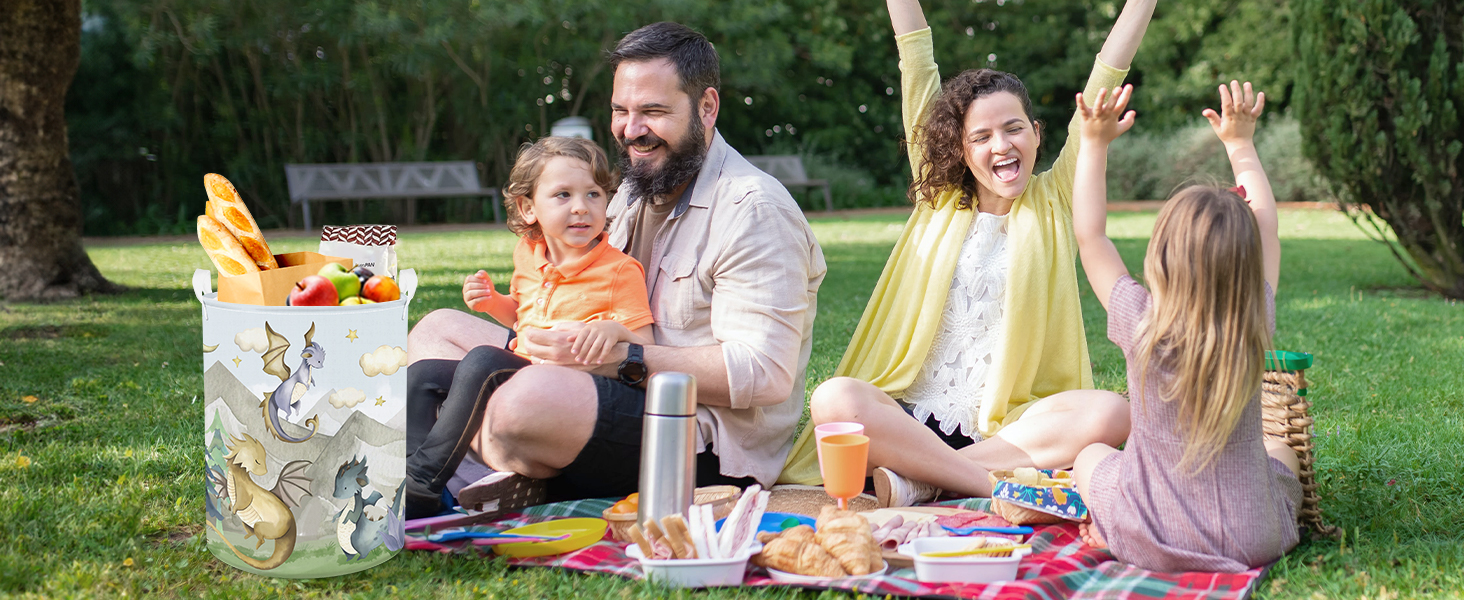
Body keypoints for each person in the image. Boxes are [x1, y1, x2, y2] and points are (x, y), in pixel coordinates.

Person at [405, 21, 826, 515]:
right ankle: (502, 465)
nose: (631, 130)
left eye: (653, 111)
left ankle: (480, 463)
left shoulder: (752, 209)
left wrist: (622, 359)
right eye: (620, 112)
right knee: (436, 331)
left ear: (706, 107)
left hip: (696, 436)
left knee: (521, 403)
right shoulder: (633, 188)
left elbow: (765, 374)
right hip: (594, 381)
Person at [783, 0, 1156, 507]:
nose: (1001, 144)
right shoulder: (937, 196)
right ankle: (994, 486)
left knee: (1114, 412)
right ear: (959, 149)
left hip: (1007, 430)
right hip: (910, 417)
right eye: (980, 136)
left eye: (1014, 127)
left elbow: (1106, 76)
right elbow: (915, 60)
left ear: (1037, 133)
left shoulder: (1057, 200)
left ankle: (927, 480)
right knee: (834, 398)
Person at [1069, 81, 1302, 572]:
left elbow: (1091, 238)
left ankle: (1104, 526)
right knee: (1280, 448)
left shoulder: (1141, 321)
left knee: (1090, 456)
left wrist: (1093, 145)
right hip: (1251, 537)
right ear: (1246, 264)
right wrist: (1240, 144)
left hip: (1148, 534)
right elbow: (1267, 228)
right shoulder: (1252, 316)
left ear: (1161, 257)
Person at [404, 136, 655, 518]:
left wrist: (614, 332)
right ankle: (411, 479)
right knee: (422, 375)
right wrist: (492, 304)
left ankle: (424, 481)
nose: (581, 208)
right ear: (528, 207)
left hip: (568, 389)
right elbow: (523, 317)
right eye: (563, 195)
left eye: (593, 194)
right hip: (522, 367)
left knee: (483, 360)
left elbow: (644, 343)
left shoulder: (619, 271)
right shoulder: (528, 252)